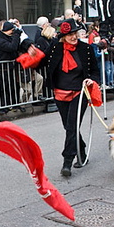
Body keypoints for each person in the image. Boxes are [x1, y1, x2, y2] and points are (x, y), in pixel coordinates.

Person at [43, 18, 100, 177]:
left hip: (79, 93)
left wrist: (92, 79)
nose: (74, 37)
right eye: (70, 35)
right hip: (60, 93)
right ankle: (81, 149)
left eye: (75, 33)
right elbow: (41, 61)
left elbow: (95, 70)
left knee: (72, 126)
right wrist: (29, 51)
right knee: (69, 127)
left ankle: (67, 161)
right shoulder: (55, 48)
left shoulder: (86, 49)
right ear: (63, 36)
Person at [0, 21, 23, 113]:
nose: (13, 32)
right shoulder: (1, 40)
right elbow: (12, 47)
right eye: (11, 30)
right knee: (2, 87)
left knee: (14, 86)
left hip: (11, 66)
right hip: (2, 67)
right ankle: (1, 106)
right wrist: (16, 36)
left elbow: (17, 46)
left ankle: (14, 104)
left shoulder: (9, 38)